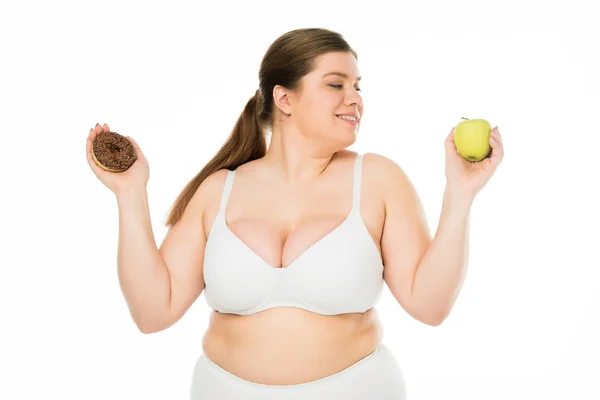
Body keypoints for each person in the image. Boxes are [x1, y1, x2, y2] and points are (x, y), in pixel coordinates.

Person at [85, 28, 503, 399]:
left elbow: (430, 307)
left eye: (358, 86)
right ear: (284, 98)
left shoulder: (376, 179)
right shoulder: (220, 190)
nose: (354, 98)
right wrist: (130, 193)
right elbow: (153, 312)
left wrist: (461, 192)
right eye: (336, 84)